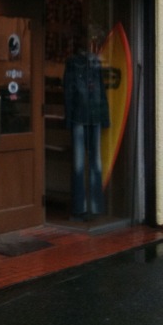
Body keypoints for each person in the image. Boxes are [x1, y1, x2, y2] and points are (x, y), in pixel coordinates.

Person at [63, 36, 110, 221]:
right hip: (88, 117)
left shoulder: (79, 64)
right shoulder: (90, 64)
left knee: (82, 164)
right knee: (90, 163)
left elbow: (69, 92)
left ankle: (82, 208)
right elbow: (100, 93)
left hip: (81, 117)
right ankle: (92, 207)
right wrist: (105, 118)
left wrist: (68, 119)